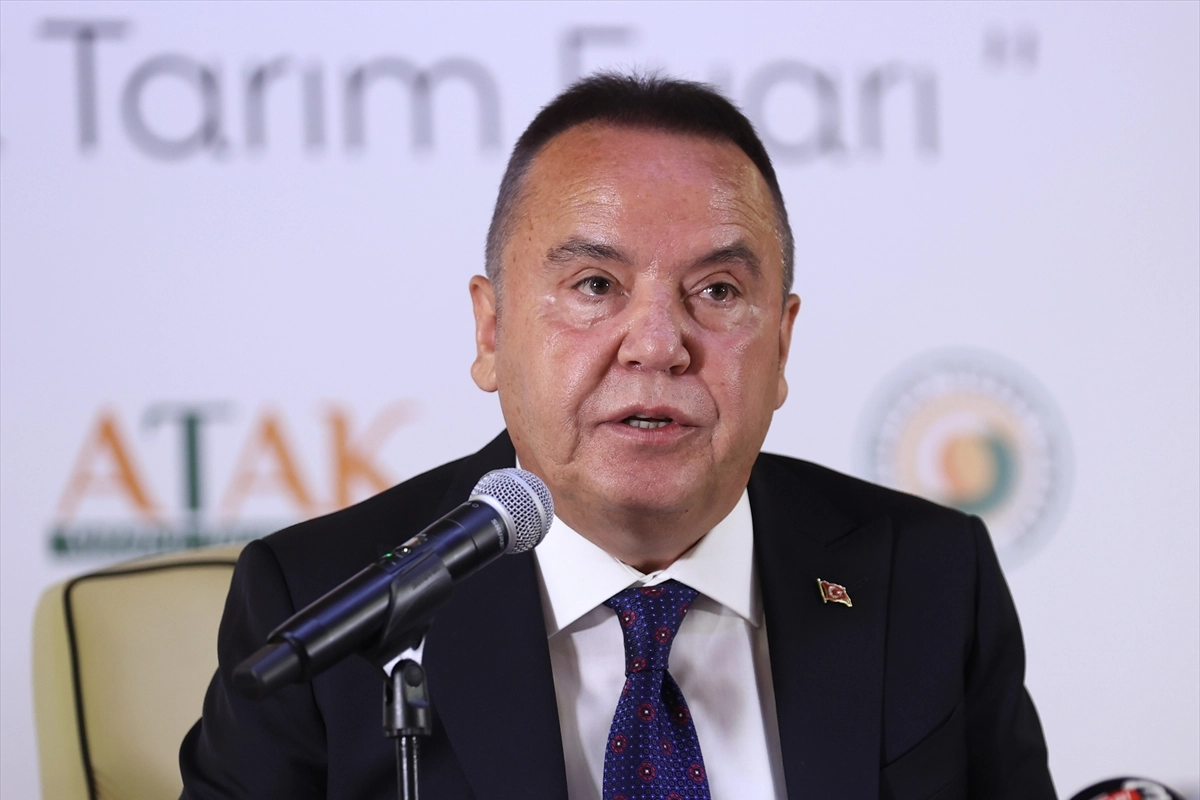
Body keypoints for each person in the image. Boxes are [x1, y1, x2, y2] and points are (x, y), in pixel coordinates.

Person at [179, 74, 1056, 800]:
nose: (658, 345)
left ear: (783, 345)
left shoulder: (931, 579)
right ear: (491, 331)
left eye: (717, 291)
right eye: (596, 285)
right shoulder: (324, 607)